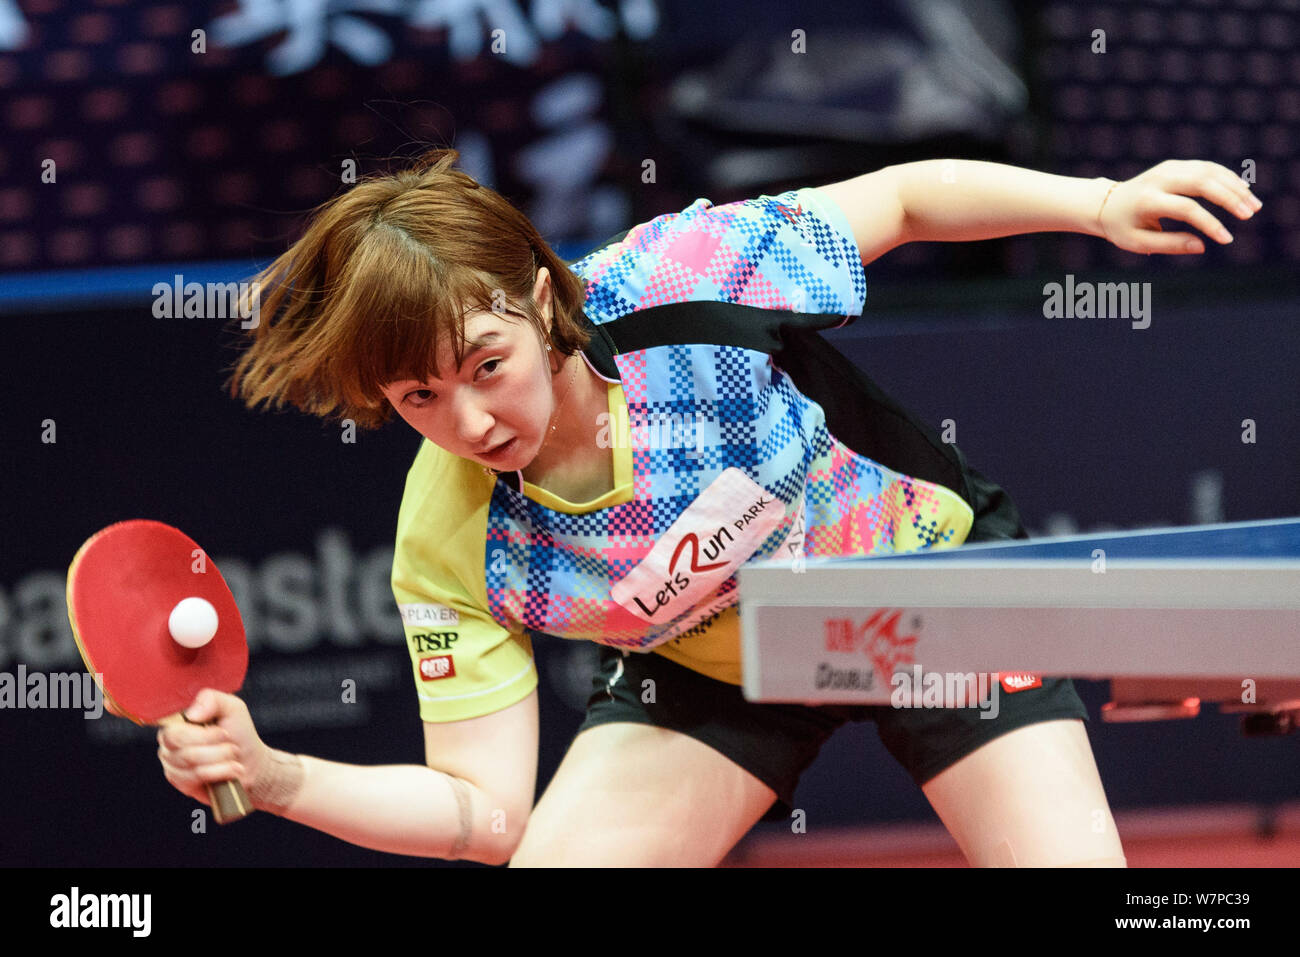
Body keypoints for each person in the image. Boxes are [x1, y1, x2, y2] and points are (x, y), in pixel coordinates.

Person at [156, 149, 1260, 866]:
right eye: (418, 399)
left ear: (543, 301)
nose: (469, 419)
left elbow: (905, 201)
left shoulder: (687, 277)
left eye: (484, 363)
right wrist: (280, 777)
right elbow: (486, 816)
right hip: (711, 675)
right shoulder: (451, 532)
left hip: (933, 599)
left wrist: (1098, 202)